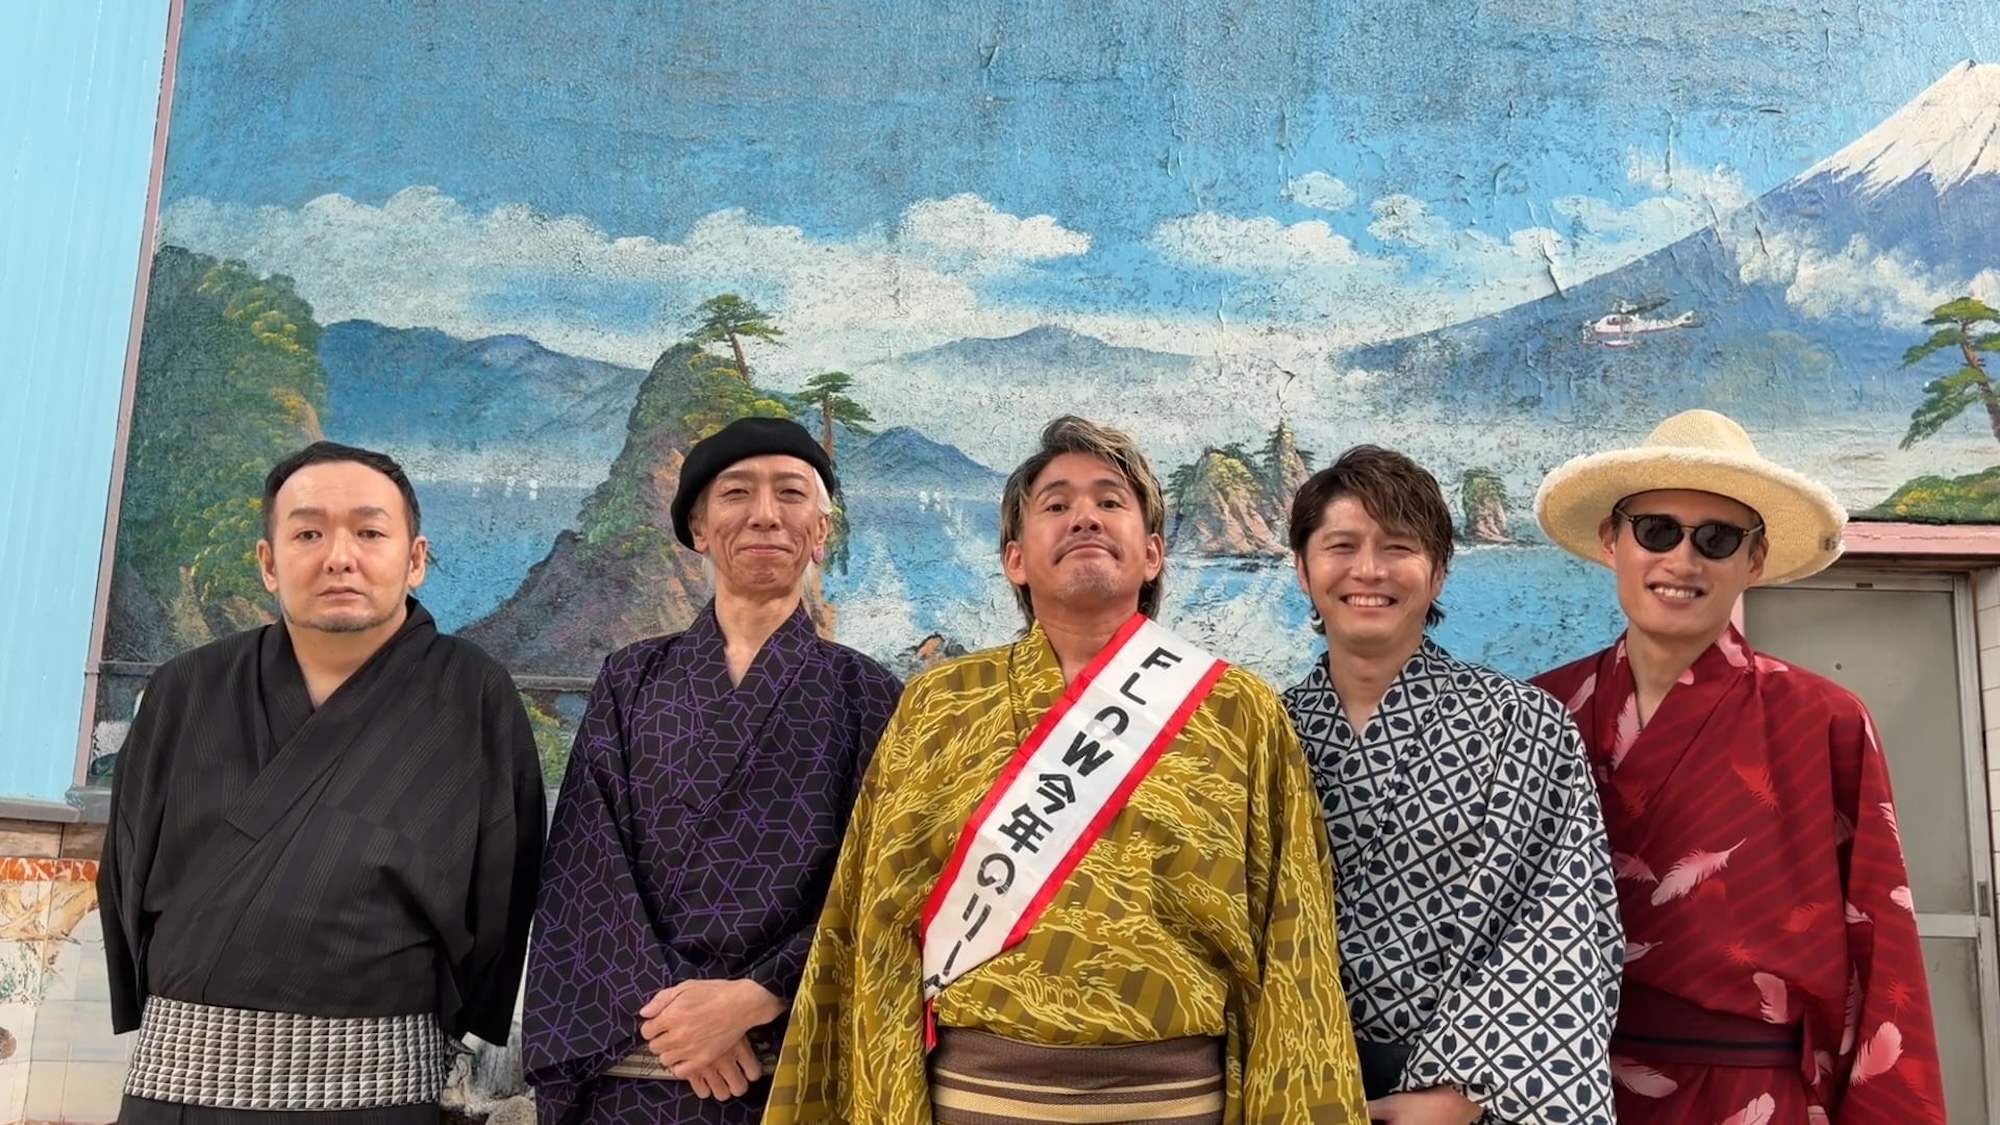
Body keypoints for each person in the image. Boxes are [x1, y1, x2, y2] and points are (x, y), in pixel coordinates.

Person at [765, 415, 1366, 1125]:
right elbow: (877, 926)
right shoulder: (940, 704)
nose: (1085, 516)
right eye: (1056, 504)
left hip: (1176, 1103)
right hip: (975, 1102)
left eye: (1110, 501)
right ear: (1015, 559)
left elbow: (1293, 940)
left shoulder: (1240, 711)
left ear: (1152, 554)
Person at [98, 441, 546, 1124]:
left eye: (369, 532)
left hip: (379, 1088)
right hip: (181, 1083)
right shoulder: (183, 690)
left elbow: (505, 889)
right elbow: (126, 870)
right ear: (268, 563)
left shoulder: (473, 694)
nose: (339, 556)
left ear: (415, 559)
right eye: (308, 534)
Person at [1530, 409, 1946, 1123]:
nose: (1683, 560)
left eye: (1717, 538)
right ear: (1611, 540)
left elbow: (1880, 934)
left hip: (1751, 1096)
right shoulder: (1539, 713)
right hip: (1556, 1085)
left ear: (1754, 560)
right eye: (1656, 530)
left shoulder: (1824, 719)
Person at [520, 417, 901, 1125]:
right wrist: (679, 1021)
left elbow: (882, 885)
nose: (765, 514)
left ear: (821, 531)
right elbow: (583, 869)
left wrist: (756, 995)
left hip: (789, 1066)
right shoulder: (630, 679)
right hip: (638, 1058)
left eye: (791, 493)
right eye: (736, 492)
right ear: (698, 528)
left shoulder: (869, 694)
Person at [1281, 446, 1622, 1125]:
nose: (1369, 570)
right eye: (1341, 546)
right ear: (1302, 568)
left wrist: (1457, 1096)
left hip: (1471, 1085)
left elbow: (1564, 920)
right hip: (1294, 1082)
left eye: (1398, 547)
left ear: (1437, 572)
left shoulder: (1523, 723)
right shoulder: (1265, 731)